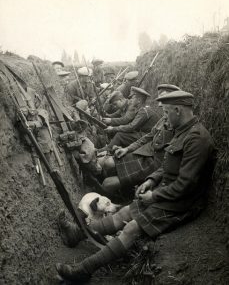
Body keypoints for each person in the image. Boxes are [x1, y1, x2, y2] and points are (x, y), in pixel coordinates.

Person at [56, 90, 215, 283]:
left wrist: (154, 196)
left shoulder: (196, 138)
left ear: (177, 110)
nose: (164, 116)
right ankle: (77, 234)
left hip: (181, 202)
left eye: (166, 112)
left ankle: (83, 270)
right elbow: (166, 166)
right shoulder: (181, 130)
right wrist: (151, 181)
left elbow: (185, 184)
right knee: (124, 213)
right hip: (167, 191)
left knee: (131, 228)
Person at [98, 84, 181, 194]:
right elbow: (149, 136)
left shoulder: (146, 111)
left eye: (164, 101)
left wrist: (113, 127)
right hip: (146, 151)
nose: (160, 105)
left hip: (153, 162)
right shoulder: (162, 119)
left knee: (107, 183)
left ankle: (121, 192)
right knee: (108, 163)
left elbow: (132, 126)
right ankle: (122, 190)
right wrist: (127, 149)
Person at [104, 86, 159, 151]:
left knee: (120, 135)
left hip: (148, 137)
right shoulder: (141, 109)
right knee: (121, 132)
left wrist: (113, 128)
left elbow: (131, 126)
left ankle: (108, 149)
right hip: (144, 134)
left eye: (132, 98)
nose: (130, 100)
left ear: (138, 100)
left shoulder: (143, 111)